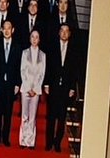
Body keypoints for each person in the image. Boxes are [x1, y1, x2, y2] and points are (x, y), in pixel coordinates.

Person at [43, 22, 78, 151]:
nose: (64, 33)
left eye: (66, 31)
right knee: (51, 116)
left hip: (65, 87)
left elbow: (75, 70)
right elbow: (48, 66)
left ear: (69, 34)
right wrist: (46, 83)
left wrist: (72, 87)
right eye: (62, 30)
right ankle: (49, 142)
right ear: (59, 33)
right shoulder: (52, 47)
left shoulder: (73, 50)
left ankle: (57, 142)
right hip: (53, 85)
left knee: (62, 117)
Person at [0, 17, 18, 145]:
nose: (6, 31)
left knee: (8, 111)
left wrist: (17, 83)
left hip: (11, 83)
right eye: (4, 28)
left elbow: (18, 67)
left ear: (13, 30)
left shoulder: (17, 46)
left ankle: (5, 138)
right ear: (1, 30)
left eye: (9, 28)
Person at [18, 26, 44, 148]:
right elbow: (22, 70)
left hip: (36, 90)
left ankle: (30, 141)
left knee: (33, 116)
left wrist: (35, 88)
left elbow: (42, 74)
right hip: (25, 88)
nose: (34, 39)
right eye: (32, 37)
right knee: (25, 115)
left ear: (39, 39)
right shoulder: (24, 53)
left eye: (36, 37)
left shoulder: (43, 55)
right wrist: (28, 87)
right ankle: (23, 140)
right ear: (29, 38)